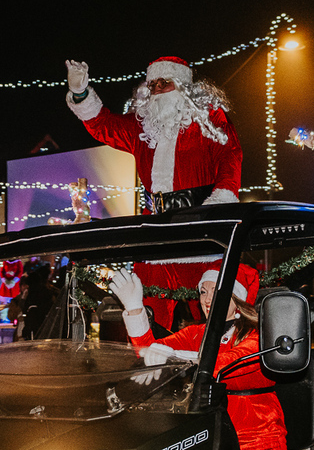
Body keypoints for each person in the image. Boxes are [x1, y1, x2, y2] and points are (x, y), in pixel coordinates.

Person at [66, 57, 243, 333]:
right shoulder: (143, 127)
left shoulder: (208, 118)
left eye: (165, 82)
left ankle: (219, 358)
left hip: (202, 229)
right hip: (157, 231)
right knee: (145, 307)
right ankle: (147, 356)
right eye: (153, 85)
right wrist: (81, 93)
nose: (157, 89)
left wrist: (221, 201)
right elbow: (104, 125)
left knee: (216, 312)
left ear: (183, 86)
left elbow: (230, 156)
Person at [110, 264, 293, 450]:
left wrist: (175, 356)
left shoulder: (257, 334)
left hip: (251, 440)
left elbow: (229, 364)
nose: (206, 300)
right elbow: (150, 353)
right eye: (203, 292)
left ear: (237, 298)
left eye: (216, 292)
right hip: (204, 430)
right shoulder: (197, 334)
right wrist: (134, 309)